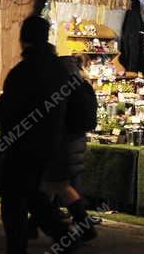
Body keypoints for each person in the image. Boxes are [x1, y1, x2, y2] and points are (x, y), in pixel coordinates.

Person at [0, 16, 77, 254]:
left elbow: (7, 108)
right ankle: (63, 235)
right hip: (49, 142)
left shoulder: (23, 71)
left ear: (24, 39)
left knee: (13, 199)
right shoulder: (59, 69)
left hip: (21, 144)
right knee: (31, 194)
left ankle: (18, 247)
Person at [37, 55, 99, 244]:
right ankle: (34, 226)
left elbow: (51, 118)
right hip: (77, 143)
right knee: (52, 186)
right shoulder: (83, 86)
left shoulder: (61, 90)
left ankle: (84, 226)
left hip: (61, 144)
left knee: (57, 186)